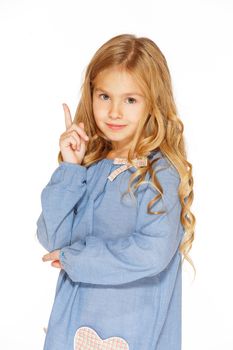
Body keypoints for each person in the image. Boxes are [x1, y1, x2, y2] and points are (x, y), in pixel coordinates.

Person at [36, 33, 196, 350]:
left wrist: (76, 259)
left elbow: (150, 253)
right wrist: (70, 168)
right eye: (105, 96)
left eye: (130, 100)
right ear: (91, 95)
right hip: (72, 327)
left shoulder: (158, 173)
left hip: (133, 332)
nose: (114, 112)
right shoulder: (90, 166)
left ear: (153, 103)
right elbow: (54, 241)